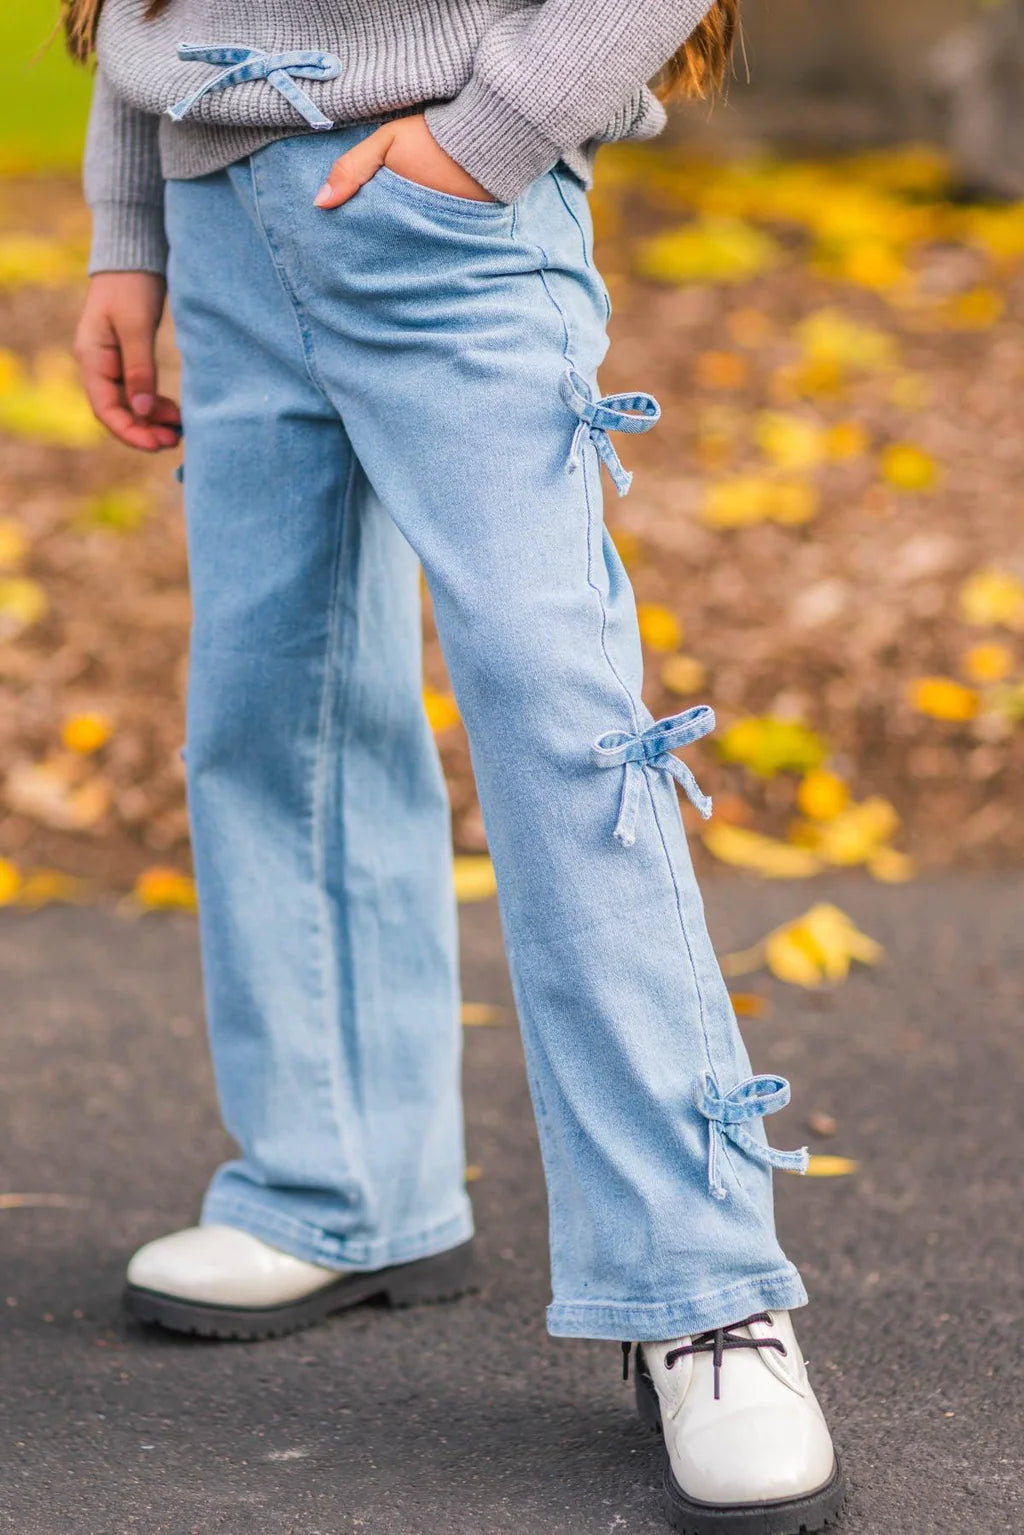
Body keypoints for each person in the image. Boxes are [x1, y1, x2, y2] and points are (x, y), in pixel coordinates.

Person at [68, 1, 845, 1528]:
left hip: (446, 214)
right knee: (269, 709)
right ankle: (339, 1183)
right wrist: (131, 218)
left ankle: (698, 1289)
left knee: (570, 737)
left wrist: (486, 139)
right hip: (220, 201)